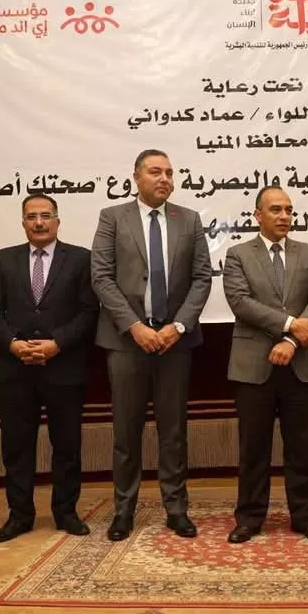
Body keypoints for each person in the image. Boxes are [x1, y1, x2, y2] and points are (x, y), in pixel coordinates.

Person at [91, 149, 212, 541]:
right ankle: (123, 510)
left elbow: (202, 278)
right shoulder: (113, 217)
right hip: (126, 343)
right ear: (136, 177)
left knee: (173, 431)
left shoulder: (189, 219)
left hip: (175, 342)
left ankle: (176, 509)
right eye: (156, 172)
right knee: (126, 432)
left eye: (170, 173)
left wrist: (178, 326)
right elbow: (101, 277)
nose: (164, 179)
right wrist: (134, 327)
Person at [0, 194, 100, 542]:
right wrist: (13, 343)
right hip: (15, 368)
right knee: (16, 447)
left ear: (57, 221)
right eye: (32, 216)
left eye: (45, 216)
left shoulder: (80, 259)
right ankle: (19, 515)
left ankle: (66, 512)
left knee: (67, 445)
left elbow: (89, 311)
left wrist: (57, 343)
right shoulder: (3, 259)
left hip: (63, 367)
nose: (39, 222)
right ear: (23, 222)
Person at [223, 186, 308, 543]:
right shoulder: (238, 255)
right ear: (258, 215)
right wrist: (289, 324)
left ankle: (305, 517)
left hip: (301, 363)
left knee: (302, 447)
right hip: (253, 366)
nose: (284, 216)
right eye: (276, 210)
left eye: (288, 210)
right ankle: (250, 518)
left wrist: (291, 340)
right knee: (253, 448)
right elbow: (240, 302)